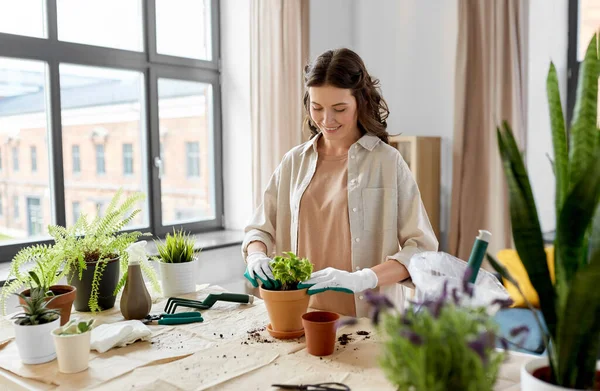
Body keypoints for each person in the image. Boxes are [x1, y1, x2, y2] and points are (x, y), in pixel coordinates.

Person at [242, 48, 438, 317]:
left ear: (360, 102)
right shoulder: (293, 162)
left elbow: (421, 249)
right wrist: (256, 255)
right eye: (317, 107)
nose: (326, 120)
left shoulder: (388, 162)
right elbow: (259, 230)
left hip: (368, 319)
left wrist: (364, 278)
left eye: (339, 108)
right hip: (300, 315)